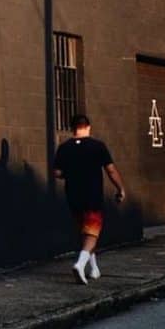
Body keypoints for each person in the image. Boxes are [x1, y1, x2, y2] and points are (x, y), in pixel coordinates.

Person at [53, 114, 126, 284]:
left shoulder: (64, 148)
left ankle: (94, 269)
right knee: (92, 233)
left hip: (73, 195)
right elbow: (111, 170)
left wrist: (71, 173)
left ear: (72, 128)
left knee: (84, 232)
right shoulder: (98, 146)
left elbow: (57, 172)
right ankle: (80, 264)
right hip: (92, 194)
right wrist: (120, 188)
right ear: (88, 127)